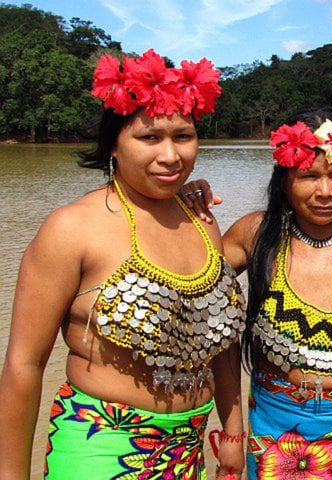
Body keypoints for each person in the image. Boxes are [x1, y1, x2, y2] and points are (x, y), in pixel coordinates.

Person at [0, 49, 246, 479]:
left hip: (190, 450)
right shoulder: (72, 228)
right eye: (149, 138)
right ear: (114, 144)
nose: (171, 156)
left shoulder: (202, 219)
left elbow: (219, 345)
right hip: (100, 448)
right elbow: (24, 365)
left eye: (183, 136)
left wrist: (231, 434)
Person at [181, 110, 332, 479]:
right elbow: (186, 287)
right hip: (279, 439)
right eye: (309, 176)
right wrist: (176, 205)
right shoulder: (256, 234)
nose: (326, 191)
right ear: (284, 181)